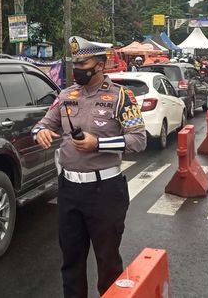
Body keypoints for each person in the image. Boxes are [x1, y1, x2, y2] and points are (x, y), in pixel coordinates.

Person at [33, 36, 147, 298]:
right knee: (71, 262)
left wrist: (98, 144)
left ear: (100, 65)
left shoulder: (121, 97)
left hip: (105, 191)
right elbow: (42, 124)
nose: (78, 68)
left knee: (108, 264)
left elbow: (139, 140)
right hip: (69, 189)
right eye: (75, 63)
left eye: (83, 62)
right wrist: (40, 132)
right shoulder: (65, 96)